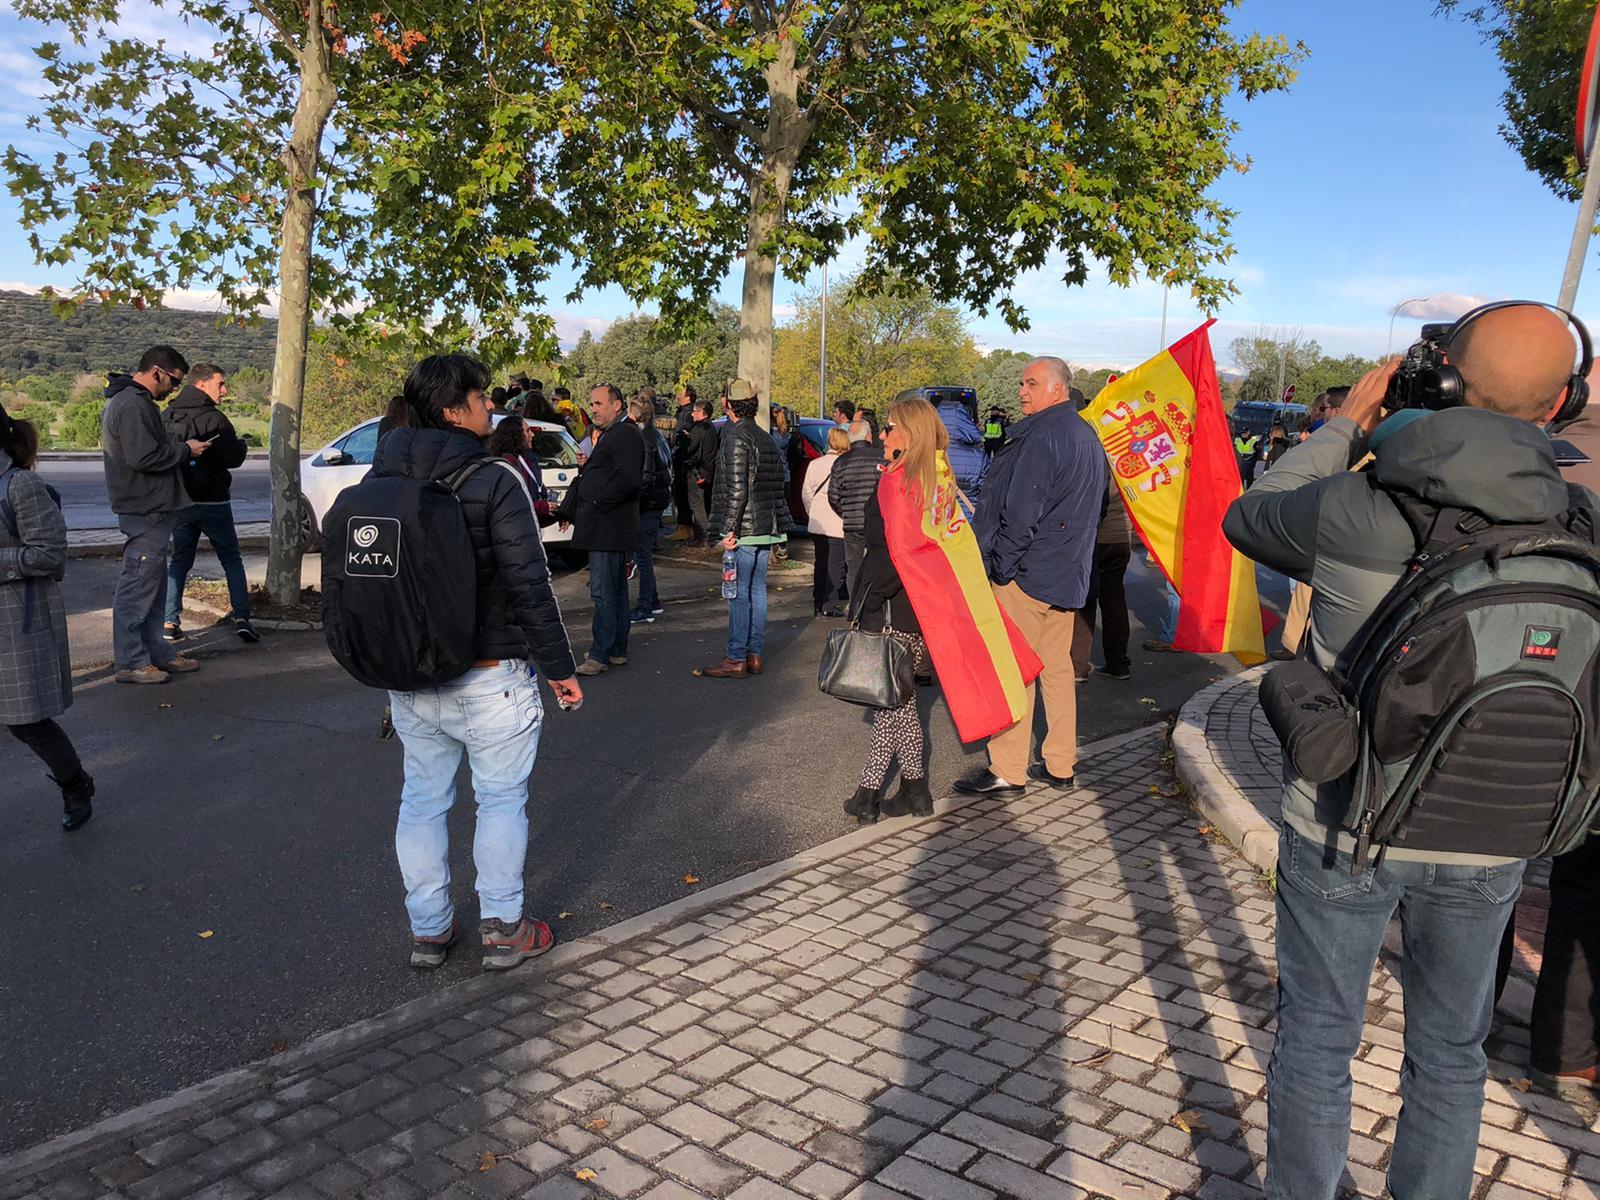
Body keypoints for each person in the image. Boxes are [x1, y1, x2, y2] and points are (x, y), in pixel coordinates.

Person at [1222, 305, 1590, 1198]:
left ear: (1442, 382)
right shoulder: (1579, 520)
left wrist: (1350, 420)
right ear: (1558, 407)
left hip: (1347, 819)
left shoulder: (1359, 500)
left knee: (1316, 1037)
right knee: (1452, 1052)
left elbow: (1250, 513)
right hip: (1493, 829)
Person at [372, 354, 581, 970]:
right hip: (492, 677)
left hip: (412, 676)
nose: (492, 406)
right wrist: (560, 668)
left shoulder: (380, 483)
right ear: (451, 408)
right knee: (500, 801)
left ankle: (430, 930)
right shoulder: (494, 481)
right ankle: (504, 929)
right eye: (481, 397)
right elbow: (529, 586)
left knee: (422, 802)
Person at [955, 356, 1105, 797]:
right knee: (1056, 670)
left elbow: (1021, 513)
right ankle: (1060, 764)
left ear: (1058, 389)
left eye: (1032, 383)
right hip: (1066, 573)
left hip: (1029, 574)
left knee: (1013, 670)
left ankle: (1008, 768)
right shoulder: (1085, 435)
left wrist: (1004, 569)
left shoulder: (1044, 436)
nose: (1022, 391)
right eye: (1022, 383)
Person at [846, 400, 941, 824]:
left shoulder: (902, 486)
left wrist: (864, 603)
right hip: (915, 613)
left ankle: (876, 796)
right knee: (895, 710)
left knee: (894, 709)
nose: (881, 436)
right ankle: (896, 793)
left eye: (888, 429)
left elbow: (890, 552)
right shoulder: (932, 481)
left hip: (891, 614)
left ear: (910, 434)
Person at [1, 405, 94, 831]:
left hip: (16, 618)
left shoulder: (20, 486)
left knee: (28, 722)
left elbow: (50, 555)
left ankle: (75, 784)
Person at [102, 346, 208, 685]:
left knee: (152, 586)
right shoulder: (132, 404)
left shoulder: (136, 402)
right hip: (143, 506)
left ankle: (155, 654)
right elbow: (144, 458)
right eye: (174, 382)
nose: (174, 390)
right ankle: (132, 662)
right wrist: (184, 450)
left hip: (152, 506)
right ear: (157, 371)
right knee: (137, 587)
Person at [161, 363, 257, 645]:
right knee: (231, 559)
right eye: (221, 384)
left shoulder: (168, 414)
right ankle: (242, 618)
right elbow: (232, 459)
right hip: (214, 500)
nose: (225, 390)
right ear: (202, 384)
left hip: (181, 500)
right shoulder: (214, 419)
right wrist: (241, 445)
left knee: (179, 561)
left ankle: (169, 621)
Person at [701, 380, 786, 678]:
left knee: (738, 593)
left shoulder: (736, 437)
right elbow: (777, 483)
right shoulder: (765, 437)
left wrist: (727, 530)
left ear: (728, 404)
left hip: (745, 529)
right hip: (766, 526)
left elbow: (737, 489)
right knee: (757, 591)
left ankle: (736, 657)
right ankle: (753, 654)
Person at [556, 384, 642, 676]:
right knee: (614, 592)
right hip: (608, 526)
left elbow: (629, 479)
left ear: (617, 405)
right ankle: (615, 649)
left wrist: (596, 500)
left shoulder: (625, 434)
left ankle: (600, 654)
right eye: (591, 404)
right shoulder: (614, 434)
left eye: (598, 404)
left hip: (609, 527)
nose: (593, 410)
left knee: (605, 593)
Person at [1071, 474, 1133, 681]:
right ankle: (1119, 664)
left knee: (1086, 600)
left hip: (1096, 538)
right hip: (1122, 535)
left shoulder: (1096, 459)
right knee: (1115, 599)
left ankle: (1078, 666)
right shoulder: (1127, 458)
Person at [629, 393, 672, 623]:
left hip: (649, 504)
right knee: (644, 555)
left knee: (643, 557)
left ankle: (645, 606)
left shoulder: (644, 438)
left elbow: (646, 477)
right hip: (658, 500)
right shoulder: (656, 435)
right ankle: (652, 602)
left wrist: (638, 504)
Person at [828, 418, 879, 596]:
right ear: (869, 436)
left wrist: (846, 513)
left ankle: (855, 607)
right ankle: (875, 608)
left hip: (852, 523)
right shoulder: (881, 459)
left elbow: (833, 497)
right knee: (878, 564)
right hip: (878, 523)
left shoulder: (840, 463)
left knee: (854, 567)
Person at [802, 425, 850, 616]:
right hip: (837, 522)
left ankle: (817, 600)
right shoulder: (845, 465)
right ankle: (829, 603)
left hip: (818, 521)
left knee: (820, 562)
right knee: (836, 563)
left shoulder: (815, 464)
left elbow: (806, 492)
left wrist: (811, 512)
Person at [935, 393, 988, 499]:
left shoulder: (925, 454)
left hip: (937, 513)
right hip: (967, 513)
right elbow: (987, 491)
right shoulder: (979, 456)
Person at [683, 399, 719, 543]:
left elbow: (691, 449)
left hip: (698, 471)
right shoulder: (711, 428)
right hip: (709, 470)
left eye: (695, 412)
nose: (692, 415)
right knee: (706, 503)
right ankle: (707, 534)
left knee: (696, 504)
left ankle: (704, 536)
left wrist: (686, 440)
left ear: (703, 413)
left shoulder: (699, 429)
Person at [668, 384, 698, 541]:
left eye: (681, 392)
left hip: (683, 460)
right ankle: (685, 527)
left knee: (682, 494)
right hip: (681, 458)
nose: (677, 394)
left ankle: (684, 527)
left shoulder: (687, 414)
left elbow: (683, 435)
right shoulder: (683, 412)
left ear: (688, 396)